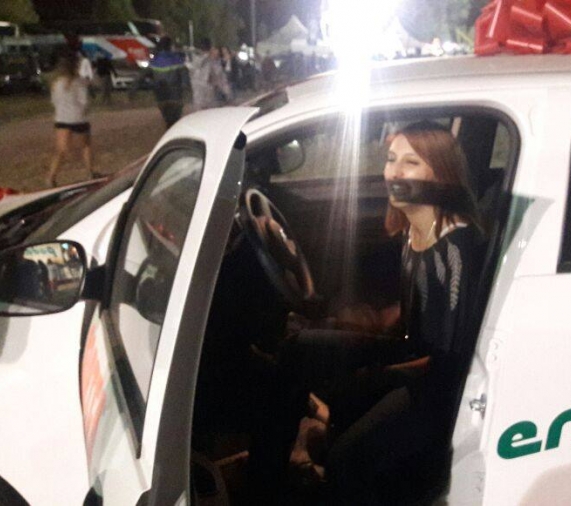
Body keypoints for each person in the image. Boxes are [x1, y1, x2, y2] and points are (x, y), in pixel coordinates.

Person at [250, 121, 484, 504]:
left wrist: (378, 371)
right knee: (298, 349)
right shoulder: (413, 229)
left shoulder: (456, 250)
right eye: (391, 159)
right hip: (414, 354)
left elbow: (448, 361)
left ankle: (326, 467)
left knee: (348, 460)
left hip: (438, 386)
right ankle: (267, 481)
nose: (394, 172)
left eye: (411, 162)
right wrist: (364, 322)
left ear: (441, 174)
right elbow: (417, 311)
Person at [47, 52, 94, 187]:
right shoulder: (80, 82)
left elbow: (54, 101)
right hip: (78, 118)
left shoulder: (56, 83)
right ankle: (90, 172)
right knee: (85, 146)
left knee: (60, 150)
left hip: (62, 119)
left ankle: (51, 177)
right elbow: (84, 101)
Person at [139, 36, 189, 128]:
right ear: (170, 46)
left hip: (161, 96)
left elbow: (141, 76)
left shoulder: (154, 61)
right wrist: (185, 88)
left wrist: (136, 87)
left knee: (168, 120)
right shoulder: (177, 60)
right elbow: (184, 76)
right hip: (176, 96)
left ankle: (169, 129)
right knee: (175, 121)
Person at [189, 38, 232, 111]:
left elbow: (219, 77)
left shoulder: (196, 61)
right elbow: (220, 78)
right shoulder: (209, 60)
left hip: (202, 98)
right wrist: (228, 94)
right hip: (206, 98)